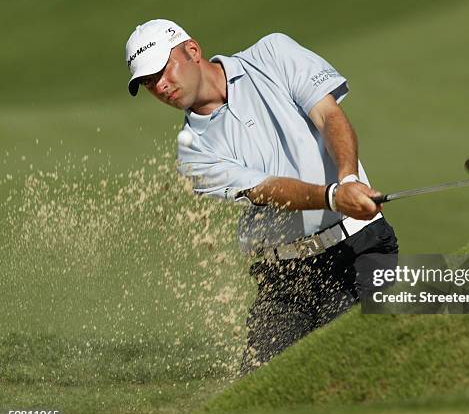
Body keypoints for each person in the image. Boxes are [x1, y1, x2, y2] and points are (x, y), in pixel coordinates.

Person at [125, 19, 398, 374]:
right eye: (148, 82)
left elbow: (328, 113)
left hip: (356, 247)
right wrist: (333, 196)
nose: (160, 86)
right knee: (261, 387)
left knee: (351, 369)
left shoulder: (272, 53)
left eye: (163, 69)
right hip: (283, 278)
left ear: (192, 50)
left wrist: (347, 178)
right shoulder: (192, 153)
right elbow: (265, 189)